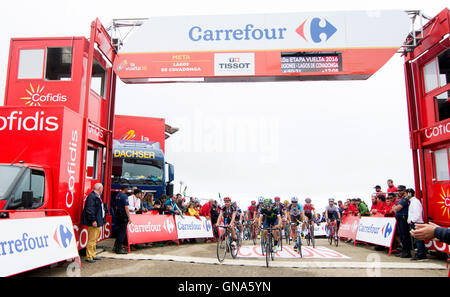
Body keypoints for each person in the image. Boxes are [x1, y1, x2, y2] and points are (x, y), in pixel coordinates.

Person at [81, 183, 105, 263]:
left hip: (97, 220)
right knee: (92, 239)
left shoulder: (95, 197)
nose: (103, 190)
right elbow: (90, 210)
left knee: (94, 239)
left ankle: (93, 254)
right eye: (102, 188)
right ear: (99, 189)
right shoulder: (92, 197)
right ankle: (89, 256)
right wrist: (93, 220)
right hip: (94, 221)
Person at [406, 188, 427, 261]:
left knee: (418, 240)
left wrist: (412, 220)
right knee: (417, 240)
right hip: (414, 222)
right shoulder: (413, 202)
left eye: (406, 193)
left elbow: (417, 213)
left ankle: (421, 255)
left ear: (409, 194)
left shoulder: (415, 202)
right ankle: (420, 254)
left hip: (416, 223)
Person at [392, 185, 412, 258]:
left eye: (401, 190)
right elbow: (393, 208)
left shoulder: (405, 199)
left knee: (404, 235)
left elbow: (397, 208)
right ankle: (404, 251)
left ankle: (407, 252)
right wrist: (395, 208)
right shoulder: (399, 199)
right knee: (401, 234)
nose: (399, 192)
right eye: (398, 190)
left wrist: (395, 208)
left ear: (404, 190)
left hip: (403, 217)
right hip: (399, 217)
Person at [113, 185, 131, 254]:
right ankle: (119, 249)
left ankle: (116, 247)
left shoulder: (118, 195)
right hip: (123, 215)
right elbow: (126, 207)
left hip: (118, 215)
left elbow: (116, 206)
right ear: (125, 189)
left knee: (119, 231)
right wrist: (129, 217)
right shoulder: (124, 196)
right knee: (122, 232)